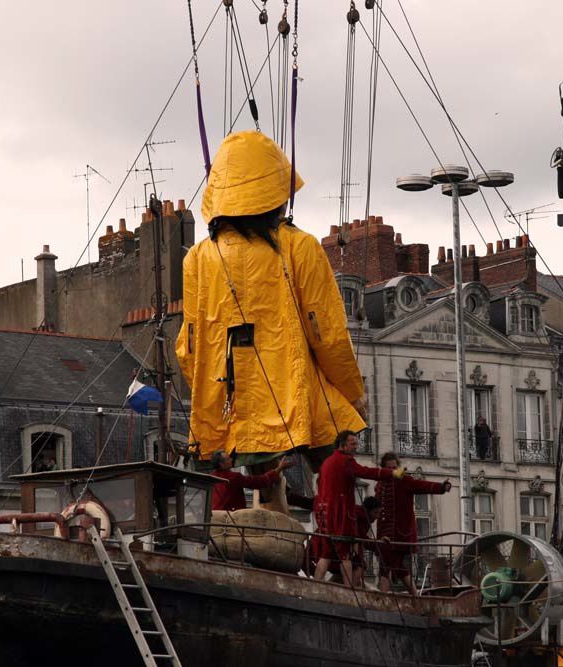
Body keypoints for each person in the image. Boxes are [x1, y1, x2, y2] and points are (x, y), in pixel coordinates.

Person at [176, 131, 367, 479]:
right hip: (299, 399)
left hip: (226, 406)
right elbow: (327, 334)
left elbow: (189, 347)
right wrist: (353, 393)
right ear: (277, 191)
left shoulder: (198, 259)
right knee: (339, 484)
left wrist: (210, 391)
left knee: (232, 500)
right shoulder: (299, 246)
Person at [312, 431, 400, 584]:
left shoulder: (326, 462)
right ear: (342, 445)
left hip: (325, 513)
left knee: (326, 554)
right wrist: (390, 473)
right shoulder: (346, 461)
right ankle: (348, 591)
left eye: (356, 444)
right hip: (340, 514)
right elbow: (365, 472)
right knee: (345, 554)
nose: (355, 447)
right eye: (352, 444)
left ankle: (314, 585)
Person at [375, 452, 452, 595]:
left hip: (400, 534)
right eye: (389, 468)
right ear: (384, 468)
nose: (392, 470)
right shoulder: (380, 484)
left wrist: (441, 487)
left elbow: (422, 485)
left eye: (394, 467)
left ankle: (382, 597)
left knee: (386, 566)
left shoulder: (404, 480)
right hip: (384, 533)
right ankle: (416, 596)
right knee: (398, 567)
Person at [210, 450, 293, 511]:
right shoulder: (233, 477)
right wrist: (279, 468)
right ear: (222, 464)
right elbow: (259, 482)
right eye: (228, 459)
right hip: (232, 517)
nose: (231, 460)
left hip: (216, 515)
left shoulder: (211, 476)